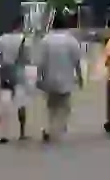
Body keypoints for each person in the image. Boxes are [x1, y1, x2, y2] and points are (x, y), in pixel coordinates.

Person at [35, 10, 85, 143]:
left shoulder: (45, 40)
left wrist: (39, 77)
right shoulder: (71, 41)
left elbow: (41, 62)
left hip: (49, 79)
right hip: (66, 79)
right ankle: (57, 129)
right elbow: (77, 62)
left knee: (51, 107)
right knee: (64, 107)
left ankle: (50, 129)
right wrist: (80, 77)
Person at [0, 17, 31, 144]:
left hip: (5, 72)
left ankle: (3, 134)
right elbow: (27, 59)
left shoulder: (2, 39)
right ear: (21, 25)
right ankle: (22, 132)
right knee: (21, 103)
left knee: (4, 104)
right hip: (18, 74)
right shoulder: (24, 40)